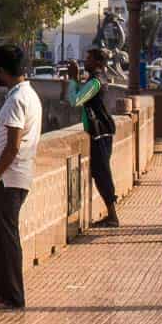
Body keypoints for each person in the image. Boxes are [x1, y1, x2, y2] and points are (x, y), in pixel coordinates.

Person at [0, 43, 43, 310]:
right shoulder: (27, 95)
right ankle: (6, 293)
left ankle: (11, 296)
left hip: (9, 178)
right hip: (16, 176)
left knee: (5, 237)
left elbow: (13, 144)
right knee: (2, 235)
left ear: (3, 70)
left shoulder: (17, 100)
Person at [65, 49, 119, 227]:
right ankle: (111, 214)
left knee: (102, 172)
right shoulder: (96, 78)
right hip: (99, 130)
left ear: (97, 63)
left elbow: (75, 100)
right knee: (99, 172)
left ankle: (113, 216)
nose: (85, 61)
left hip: (100, 131)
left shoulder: (96, 81)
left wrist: (73, 78)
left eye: (88, 58)